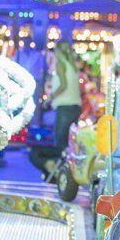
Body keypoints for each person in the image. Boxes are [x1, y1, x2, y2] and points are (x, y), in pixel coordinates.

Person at [29, 41, 83, 177]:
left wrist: (50, 97)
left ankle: (57, 170)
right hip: (75, 107)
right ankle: (60, 170)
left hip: (65, 107)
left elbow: (63, 85)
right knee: (67, 144)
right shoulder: (73, 66)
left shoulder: (61, 64)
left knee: (61, 144)